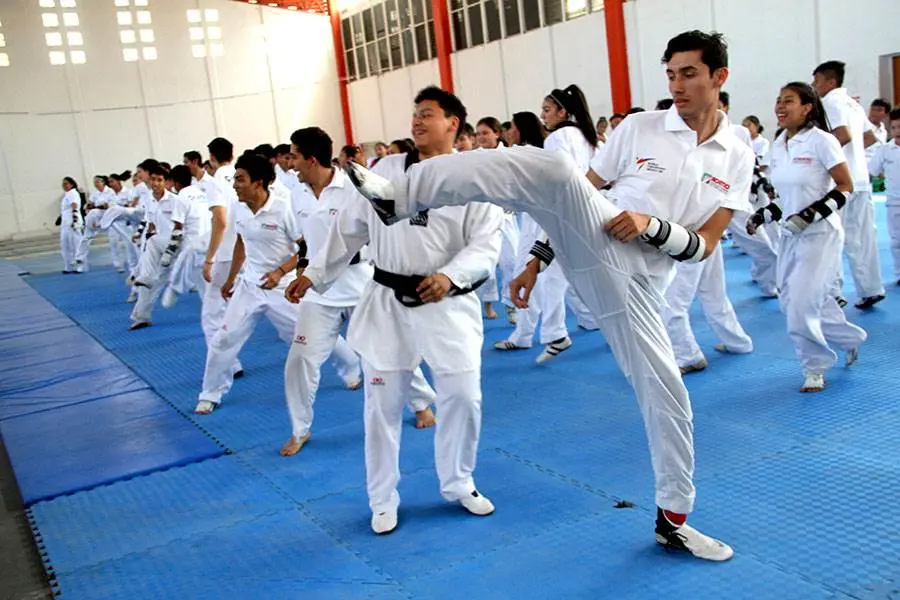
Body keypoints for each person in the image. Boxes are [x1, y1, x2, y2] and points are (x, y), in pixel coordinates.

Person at [344, 30, 752, 562]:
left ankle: (673, 521)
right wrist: (535, 261)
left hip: (642, 284)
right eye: (670, 73)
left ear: (719, 77)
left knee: (668, 394)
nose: (676, 85)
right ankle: (399, 196)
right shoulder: (640, 128)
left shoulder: (736, 154)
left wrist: (654, 226)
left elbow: (705, 246)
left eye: (689, 74)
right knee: (552, 168)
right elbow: (573, 191)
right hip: (596, 234)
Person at [289, 87, 503, 536]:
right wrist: (314, 272)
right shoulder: (384, 171)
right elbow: (347, 226)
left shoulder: (473, 179)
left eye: (428, 114)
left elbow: (486, 244)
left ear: (453, 124)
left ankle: (458, 482)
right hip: (386, 300)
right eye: (415, 115)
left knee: (464, 396)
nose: (417, 121)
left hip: (445, 300)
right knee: (381, 407)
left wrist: (451, 276)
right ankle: (382, 497)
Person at [280, 126, 436, 457]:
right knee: (300, 360)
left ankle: (421, 402)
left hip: (361, 283)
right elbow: (307, 240)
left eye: (294, 156)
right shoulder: (297, 193)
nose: (289, 163)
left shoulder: (355, 184)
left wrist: (313, 273)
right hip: (319, 292)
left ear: (311, 158)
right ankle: (300, 428)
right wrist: (301, 271)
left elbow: (368, 234)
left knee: (390, 349)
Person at [748, 82, 866, 391]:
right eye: (778, 101)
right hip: (789, 236)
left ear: (807, 107)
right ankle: (850, 338)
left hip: (820, 236)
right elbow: (786, 196)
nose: (780, 107)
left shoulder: (822, 141)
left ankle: (814, 366)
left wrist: (812, 214)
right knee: (796, 300)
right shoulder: (779, 145)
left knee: (801, 303)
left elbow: (845, 186)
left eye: (788, 101)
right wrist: (765, 214)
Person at [195, 152, 303, 415]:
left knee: (309, 335)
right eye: (235, 179)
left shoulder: (284, 208)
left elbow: (306, 248)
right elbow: (241, 243)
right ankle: (210, 392)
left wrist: (280, 272)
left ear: (259, 182)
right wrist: (231, 279)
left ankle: (350, 368)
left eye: (240, 179)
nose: (235, 185)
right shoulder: (239, 207)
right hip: (250, 285)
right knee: (223, 338)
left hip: (282, 286)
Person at [812, 61, 885, 309]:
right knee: (863, 239)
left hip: (841, 183)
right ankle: (871, 288)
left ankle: (834, 293)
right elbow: (869, 136)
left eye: (817, 81)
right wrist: (852, 158)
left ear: (830, 82)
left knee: (831, 237)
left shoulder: (831, 101)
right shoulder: (853, 103)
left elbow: (842, 136)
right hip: (861, 180)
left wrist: (823, 156)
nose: (814, 86)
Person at [867, 109, 900, 284]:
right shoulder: (885, 150)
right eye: (893, 127)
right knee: (896, 241)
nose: (897, 131)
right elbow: (872, 171)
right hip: (894, 201)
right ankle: (899, 273)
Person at [59, 177, 84, 274]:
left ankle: (79, 266)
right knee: (65, 244)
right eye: (63, 184)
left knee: (76, 244)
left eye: (66, 183)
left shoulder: (73, 193)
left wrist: (75, 219)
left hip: (72, 222)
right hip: (65, 223)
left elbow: (74, 205)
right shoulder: (66, 195)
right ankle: (68, 266)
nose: (64, 186)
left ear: (72, 184)